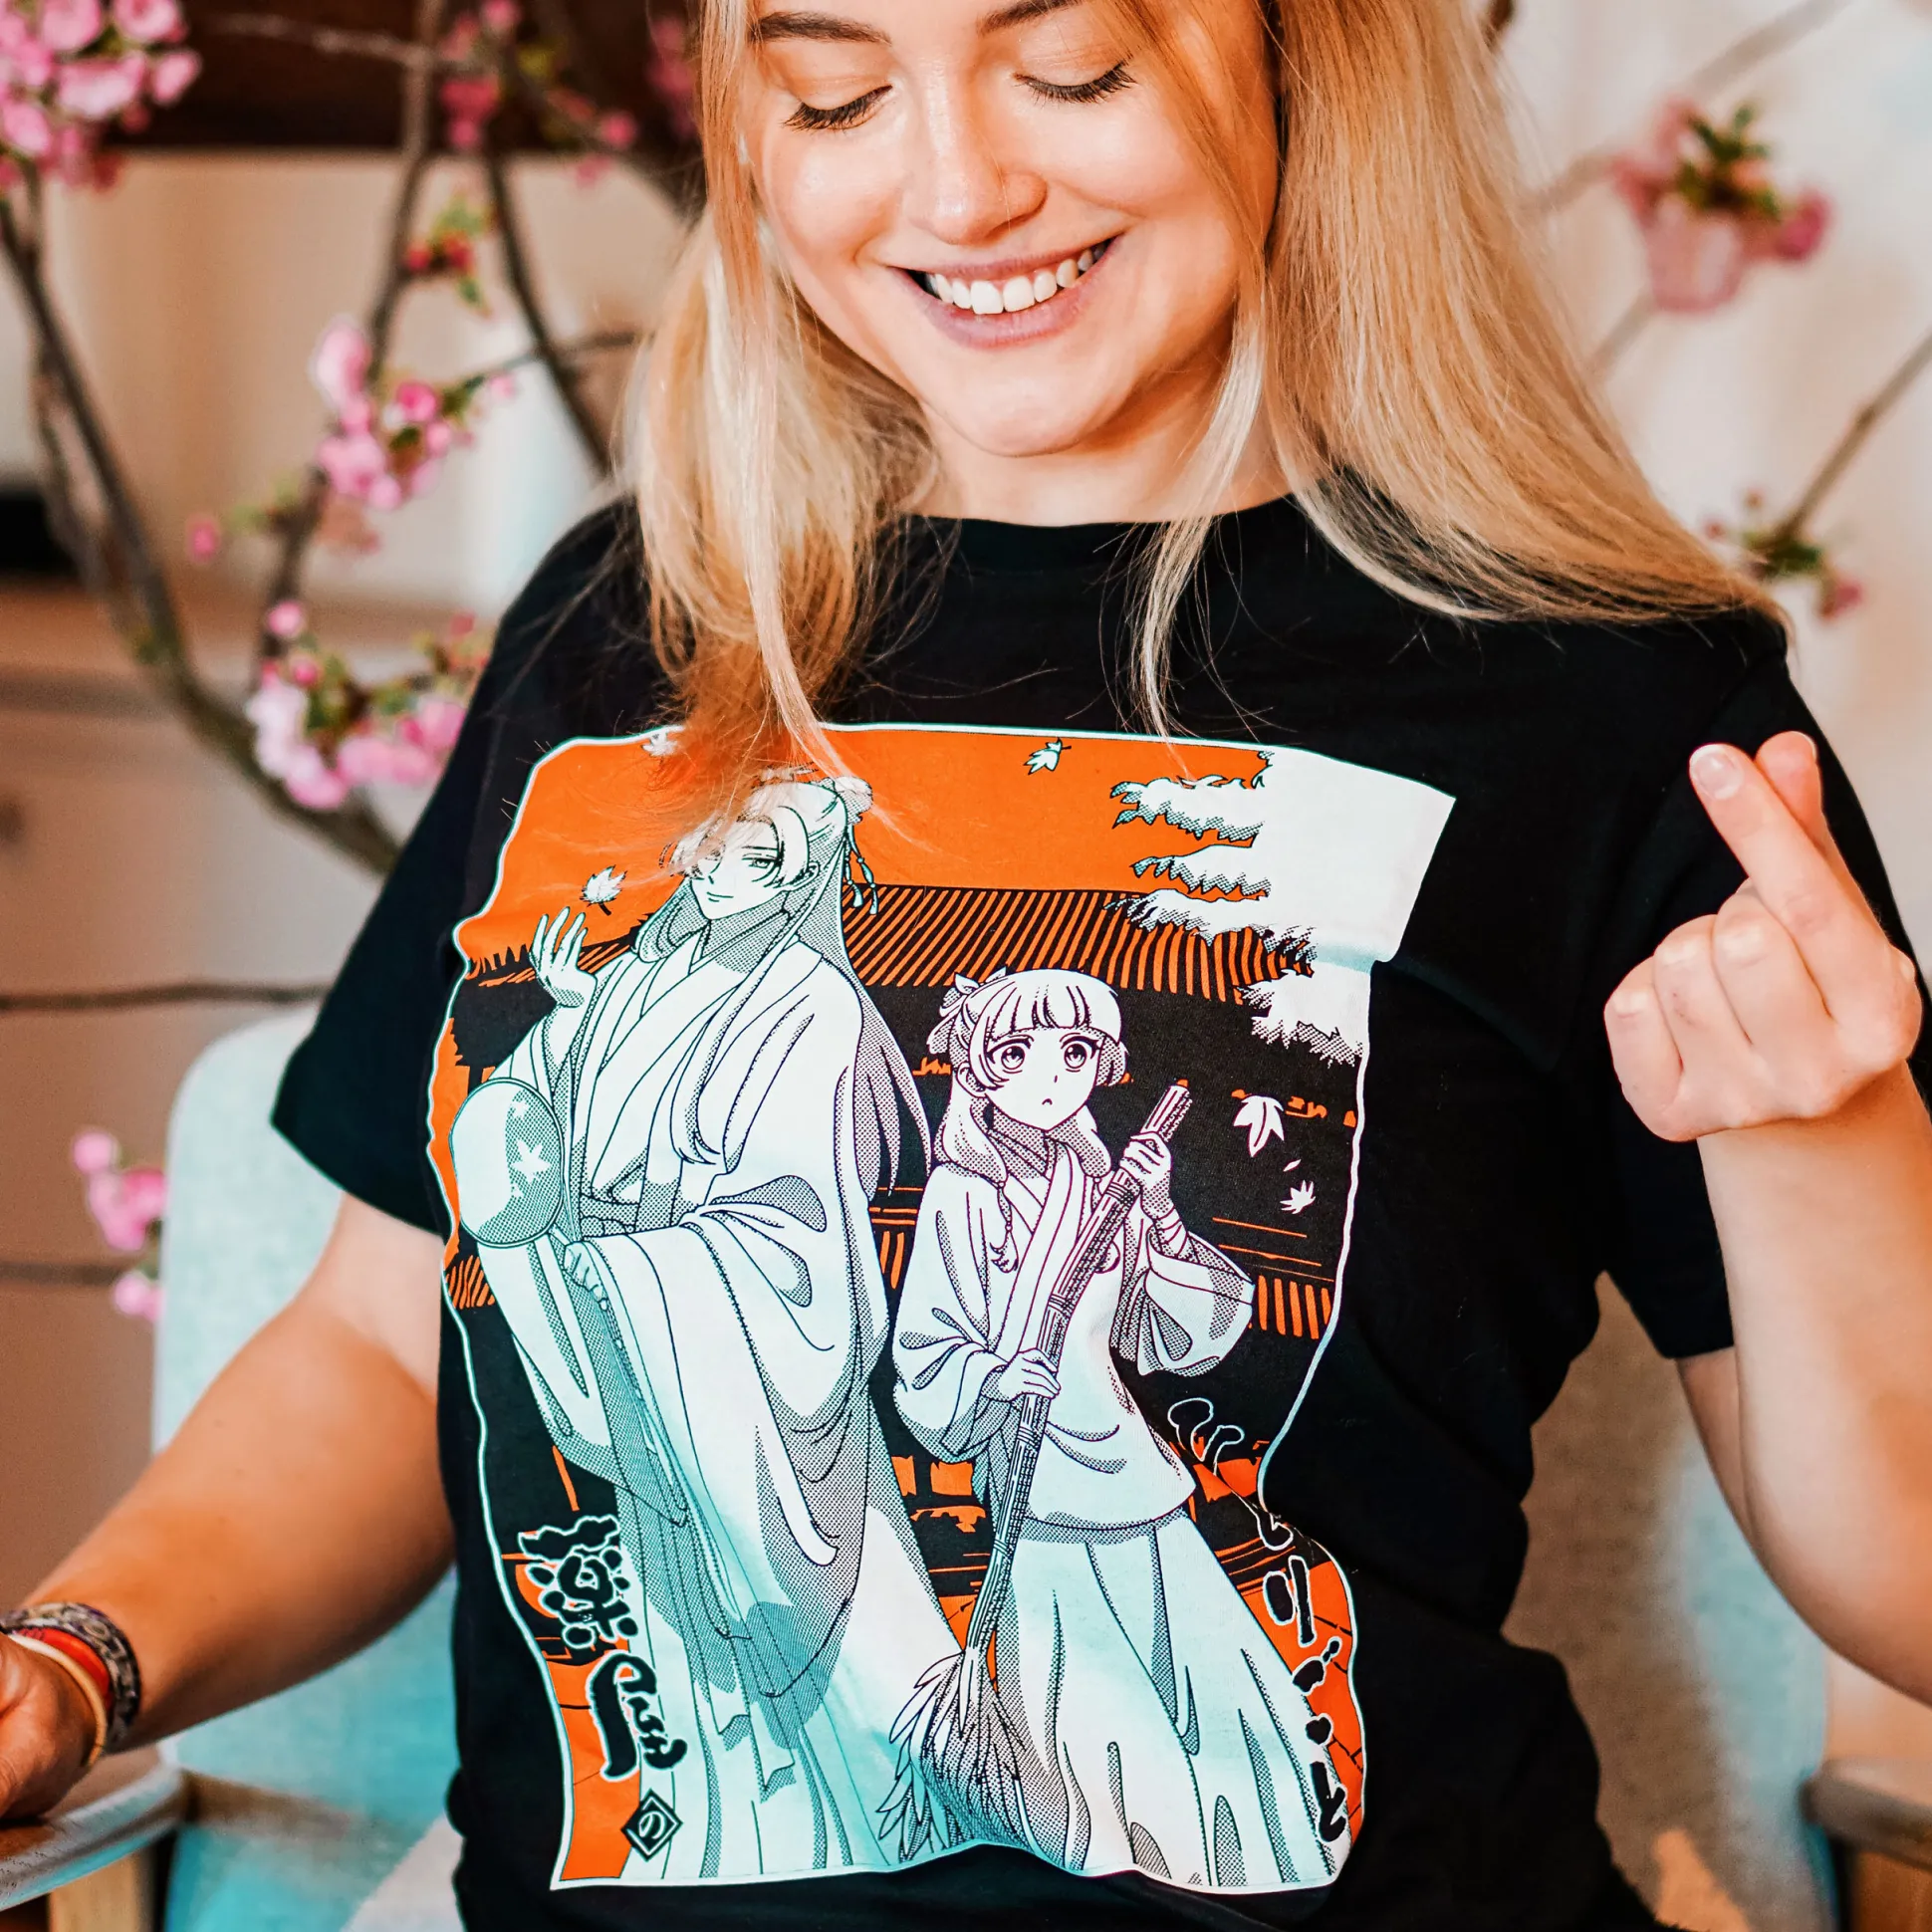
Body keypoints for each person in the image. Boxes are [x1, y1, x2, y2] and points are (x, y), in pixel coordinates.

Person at [4, 4, 1930, 1931]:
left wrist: (1821, 1137)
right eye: (839, 94)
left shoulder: (1617, 706)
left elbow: (1906, 1578)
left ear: (1303, 57)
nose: (957, 190)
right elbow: (378, 1343)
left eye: (1071, 68)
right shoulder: (624, 630)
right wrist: (73, 1662)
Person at [449, 774, 958, 1878]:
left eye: (767, 862)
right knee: (681, 1657)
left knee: (815, 1657)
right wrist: (570, 1023)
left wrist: (629, 1265)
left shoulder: (811, 1005)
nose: (728, 872)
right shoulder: (635, 976)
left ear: (805, 882)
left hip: (722, 1357)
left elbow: (793, 1228)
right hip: (631, 1344)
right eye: (721, 847)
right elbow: (533, 1127)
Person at [890, 969, 1340, 1887]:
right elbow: (927, 1348)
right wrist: (996, 1374)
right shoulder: (959, 1197)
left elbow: (1171, 1336)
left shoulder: (1101, 1185)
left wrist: (1160, 1212)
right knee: (1069, 1694)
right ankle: (1095, 1855)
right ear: (978, 1070)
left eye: (1075, 1051)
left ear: (1102, 1064)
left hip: (1126, 1461)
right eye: (1015, 1053)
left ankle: (1245, 1860)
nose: (1049, 1074)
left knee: (1204, 1674)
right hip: (1035, 1482)